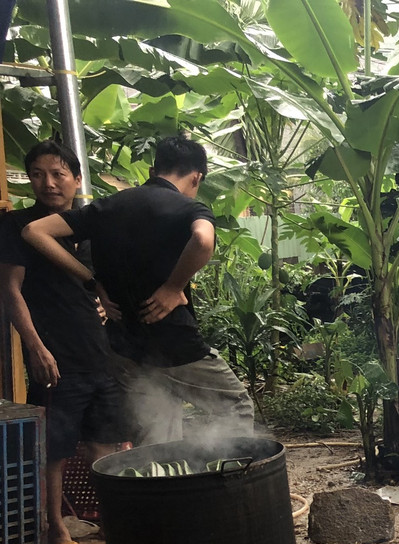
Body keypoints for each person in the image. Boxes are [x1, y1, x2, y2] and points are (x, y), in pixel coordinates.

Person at [22, 135, 253, 445]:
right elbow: (203, 241)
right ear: (196, 177)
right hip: (173, 342)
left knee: (158, 426)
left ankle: (160, 491)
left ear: (154, 169)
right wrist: (173, 287)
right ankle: (234, 485)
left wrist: (92, 281)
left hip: (124, 346)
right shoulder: (189, 208)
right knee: (236, 405)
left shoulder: (109, 206)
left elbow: (34, 231)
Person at [0, 139, 125, 544]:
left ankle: (111, 517)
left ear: (75, 179)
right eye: (38, 174)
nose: (48, 182)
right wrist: (34, 346)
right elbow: (11, 291)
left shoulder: (88, 228)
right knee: (53, 449)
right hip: (56, 358)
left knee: (102, 444)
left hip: (99, 355)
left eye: (58, 174)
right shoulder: (18, 226)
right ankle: (54, 526)